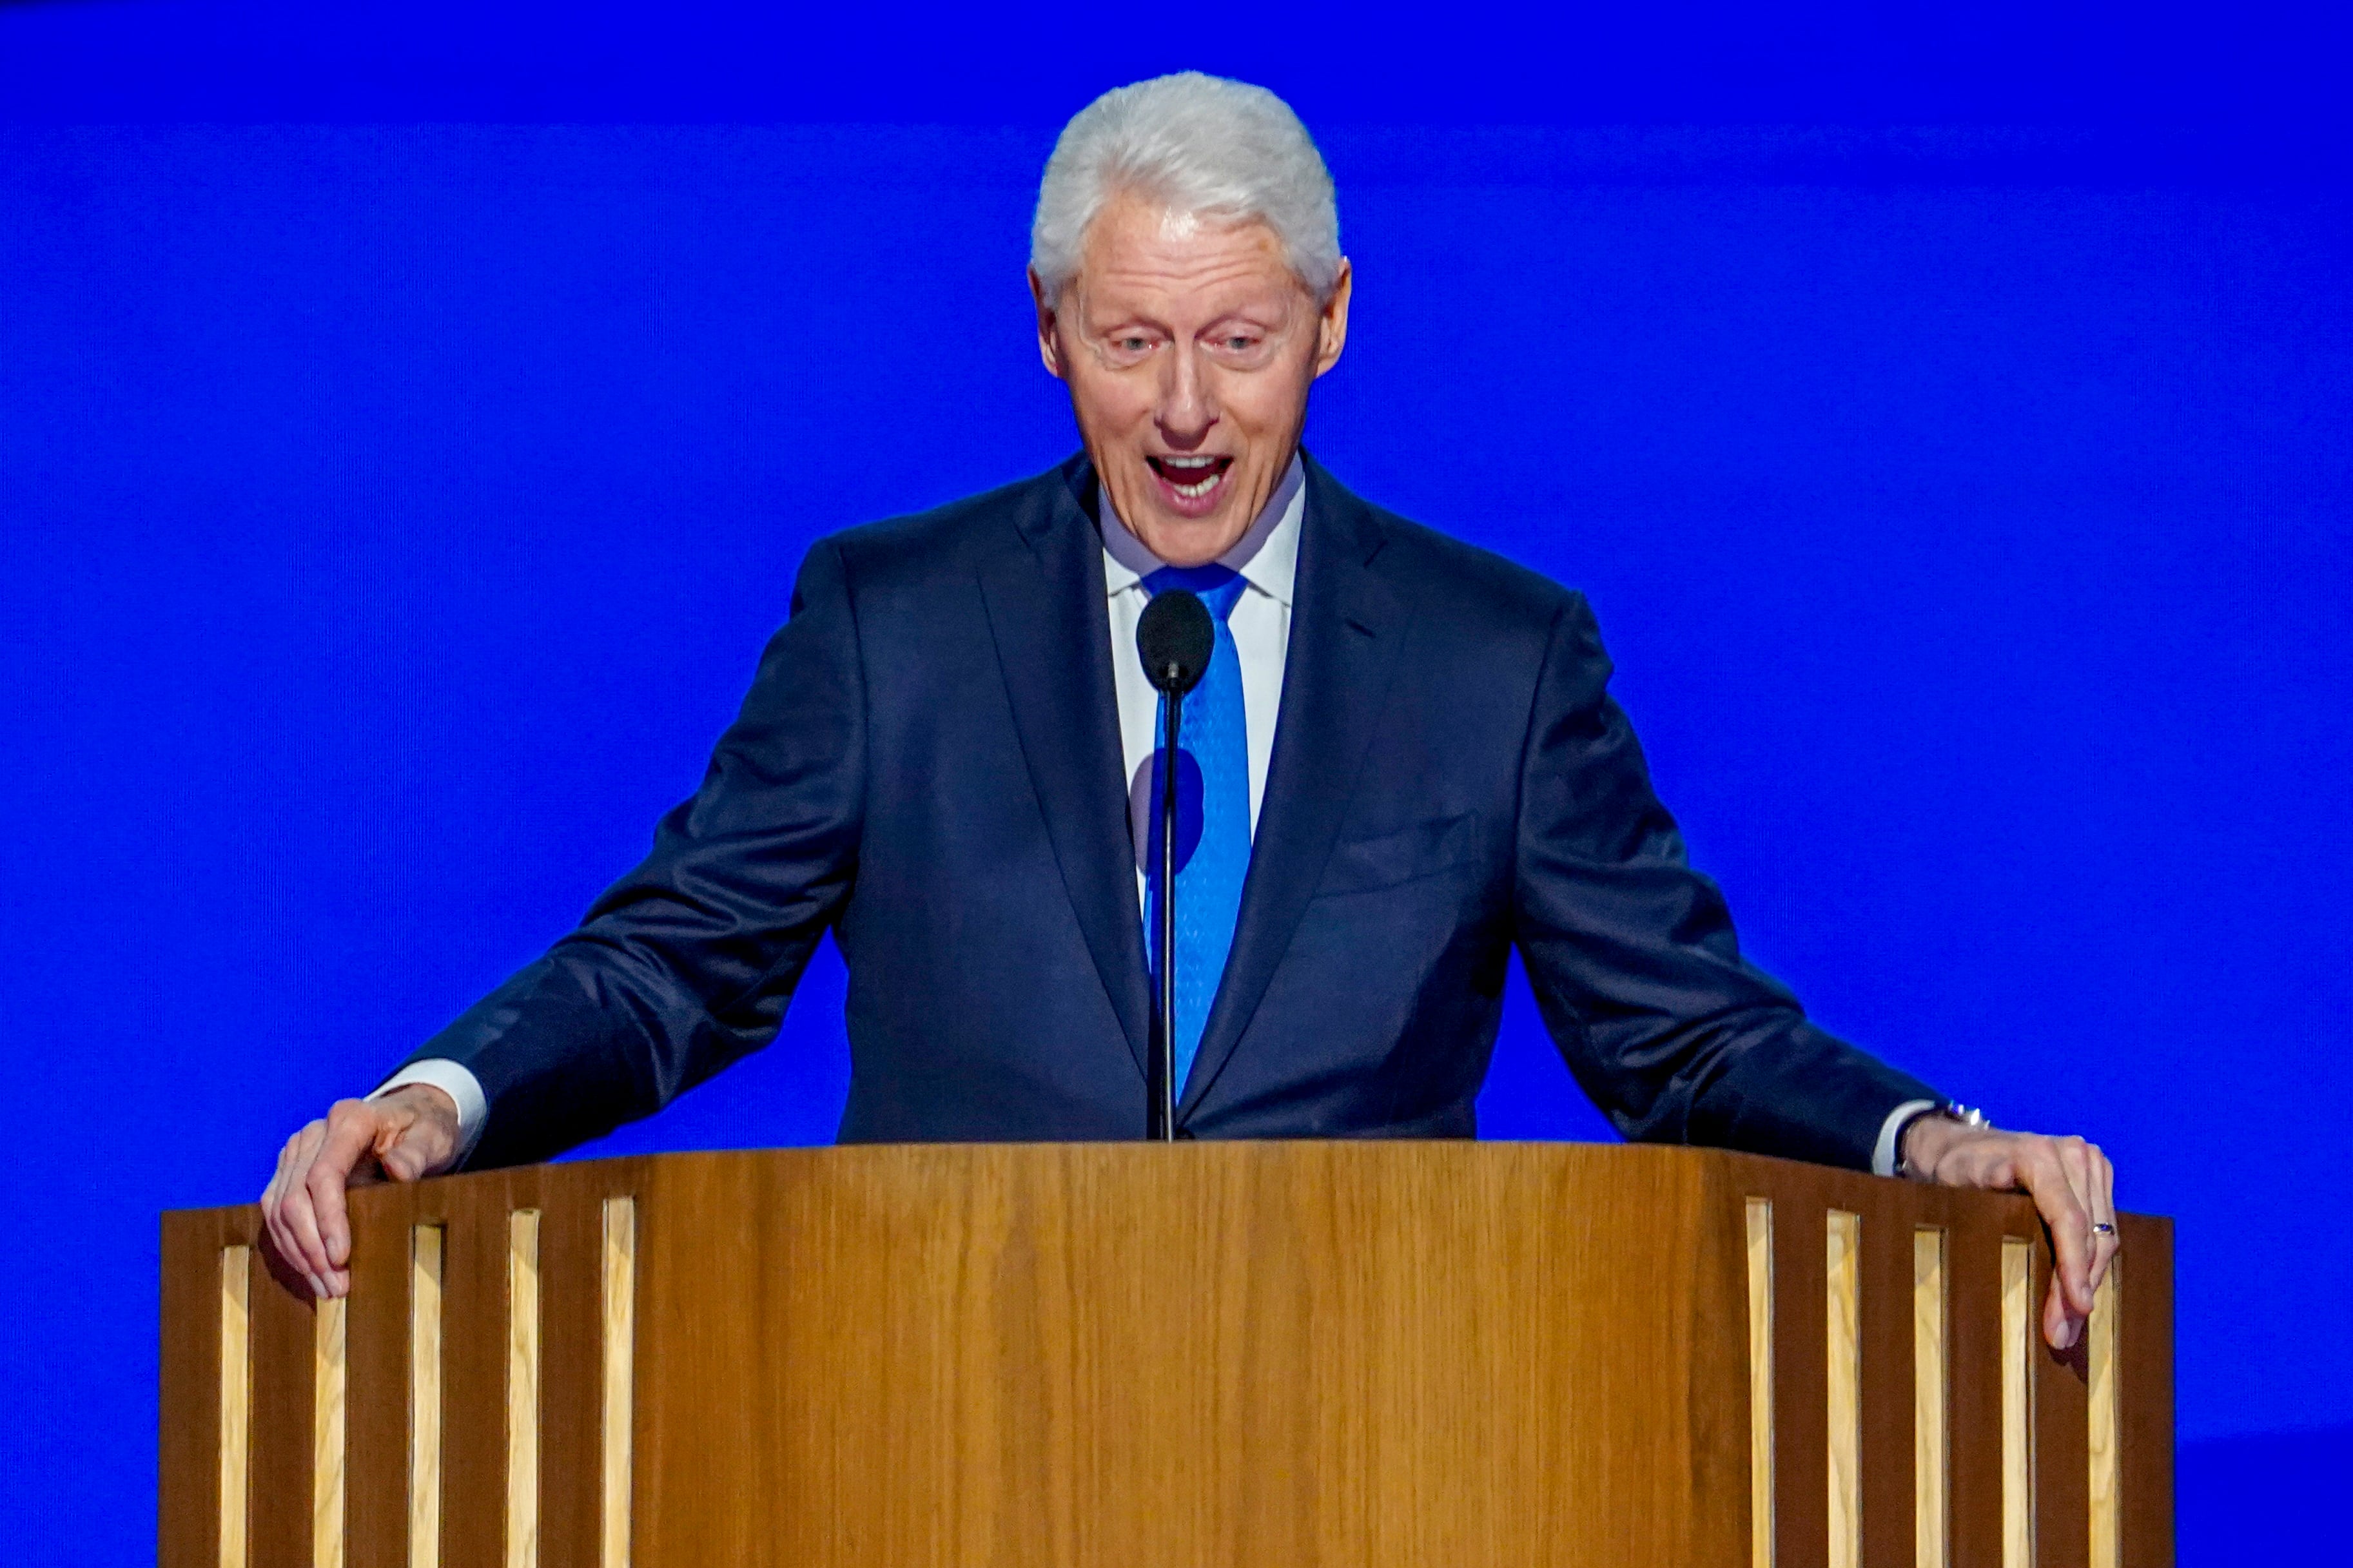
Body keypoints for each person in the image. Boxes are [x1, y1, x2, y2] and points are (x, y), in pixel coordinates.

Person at [261, 72, 2117, 1349]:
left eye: (1235, 340)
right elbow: (683, 958)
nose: (1183, 410)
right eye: (1131, 341)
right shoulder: (887, 620)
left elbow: (1685, 1039)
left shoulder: (1498, 654)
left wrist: (1925, 1142)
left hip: (1384, 1424)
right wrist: (443, 1099)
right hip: (926, 1406)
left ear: (1328, 324)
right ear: (1047, 330)